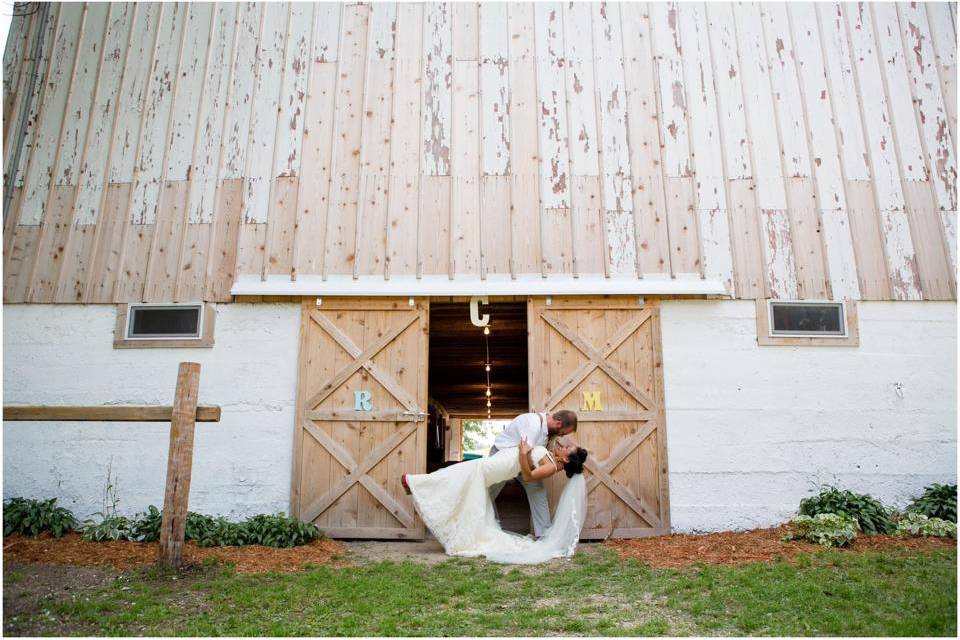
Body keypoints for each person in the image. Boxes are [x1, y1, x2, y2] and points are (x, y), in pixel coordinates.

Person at [401, 437, 589, 564]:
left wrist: (523, 454)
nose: (562, 445)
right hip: (505, 460)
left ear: (565, 458)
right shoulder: (552, 456)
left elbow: (528, 476)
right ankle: (418, 484)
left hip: (504, 465)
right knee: (461, 475)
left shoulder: (551, 467)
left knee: (464, 472)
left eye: (566, 448)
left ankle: (417, 483)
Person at [488, 410, 578, 537]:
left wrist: (550, 464)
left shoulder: (550, 432)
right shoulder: (533, 424)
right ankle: (490, 530)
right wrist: (544, 469)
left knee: (538, 492)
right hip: (503, 457)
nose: (562, 436)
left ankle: (545, 536)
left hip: (524, 463)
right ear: (558, 423)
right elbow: (526, 454)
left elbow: (538, 454)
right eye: (563, 433)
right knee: (488, 493)